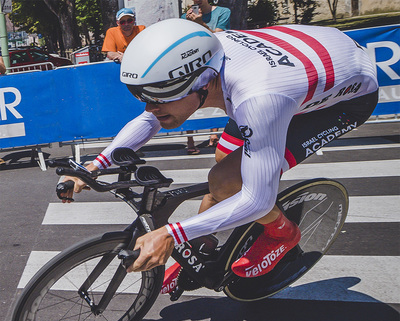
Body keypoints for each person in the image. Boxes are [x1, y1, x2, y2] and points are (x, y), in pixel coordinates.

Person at [62, 19, 378, 290]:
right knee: (223, 167)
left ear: (201, 84)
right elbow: (150, 119)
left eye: (159, 97)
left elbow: (258, 200)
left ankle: (284, 233)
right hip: (302, 64)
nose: (150, 107)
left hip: (341, 99)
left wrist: (172, 233)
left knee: (227, 182)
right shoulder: (206, 51)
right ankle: (208, 243)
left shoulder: (258, 99)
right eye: (143, 96)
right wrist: (93, 166)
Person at [182, 0, 232, 154]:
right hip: (195, 65)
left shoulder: (223, 12)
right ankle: (190, 140)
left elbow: (219, 38)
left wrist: (200, 23)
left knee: (215, 98)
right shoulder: (186, 16)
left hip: (216, 63)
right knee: (189, 100)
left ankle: (214, 134)